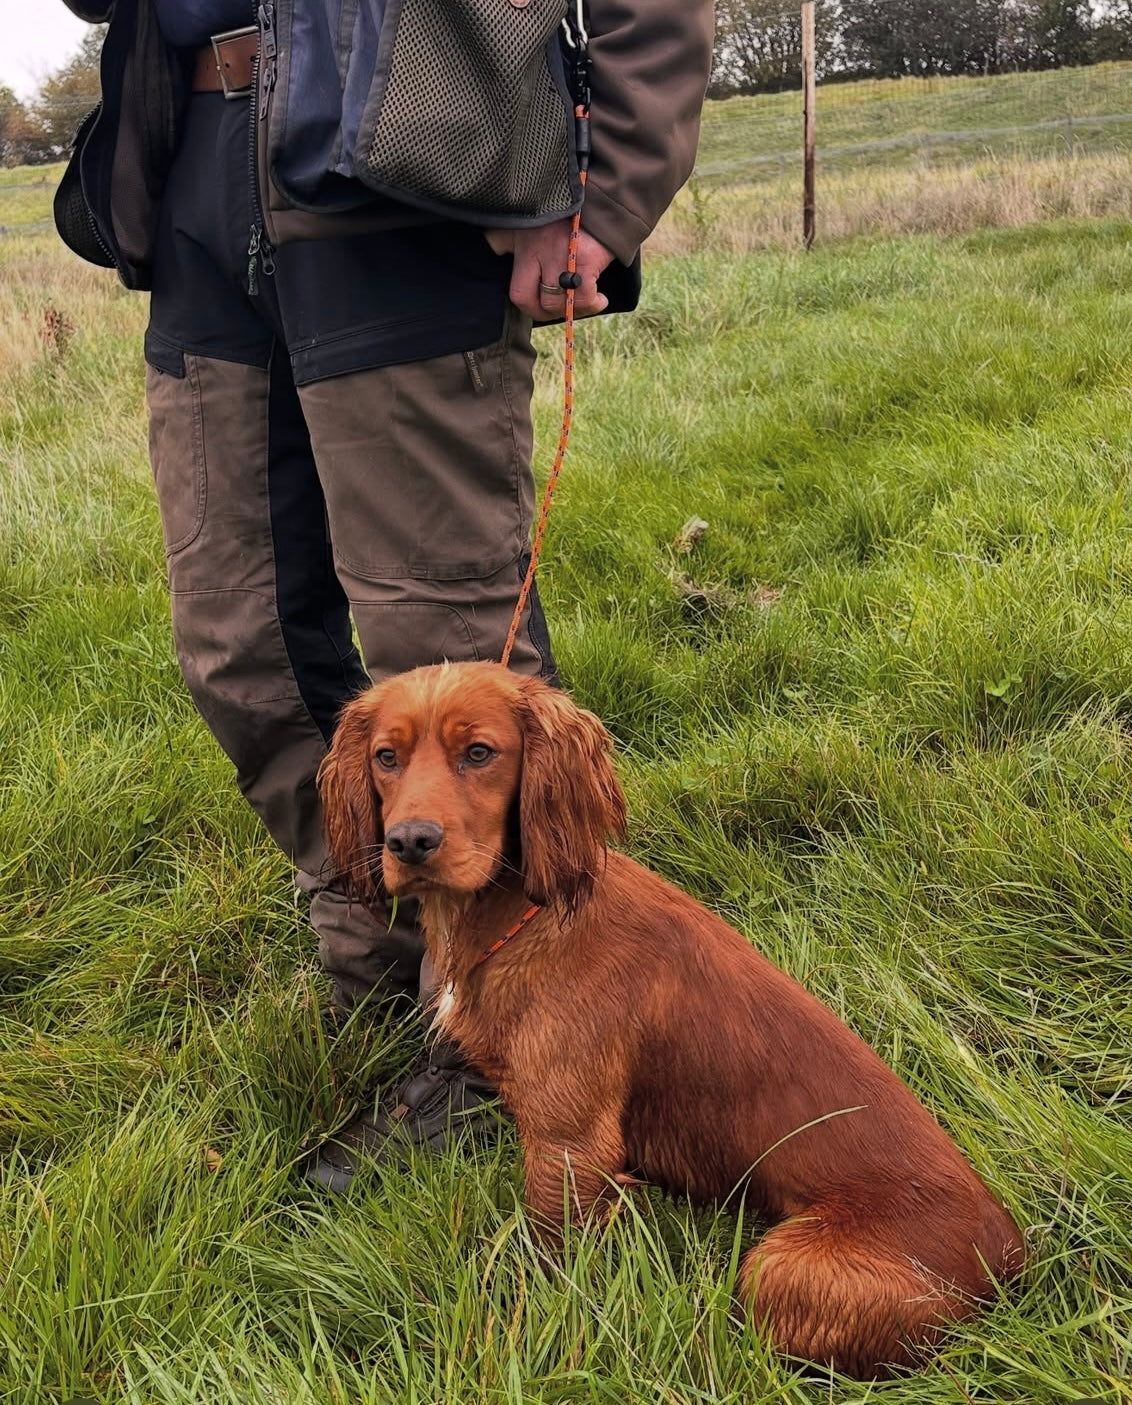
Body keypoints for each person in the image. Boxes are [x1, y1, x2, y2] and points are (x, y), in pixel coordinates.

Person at [54, 0, 714, 1189]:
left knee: (445, 632)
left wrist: (602, 184)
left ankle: (501, 1028)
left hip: (414, 167)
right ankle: (378, 942)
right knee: (235, 644)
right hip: (197, 174)